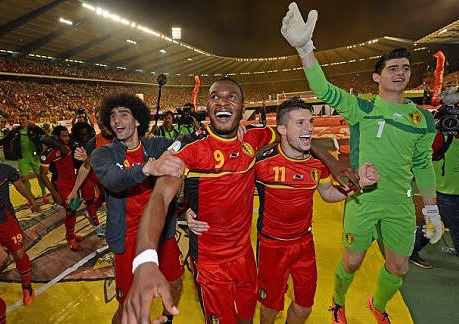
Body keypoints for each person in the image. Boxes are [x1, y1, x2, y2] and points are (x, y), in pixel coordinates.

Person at [123, 77, 361, 324]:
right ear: (207, 105)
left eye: (231, 97)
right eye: (215, 96)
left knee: (247, 318)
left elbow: (296, 136)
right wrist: (145, 260)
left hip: (245, 257)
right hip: (210, 264)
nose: (222, 101)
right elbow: (160, 196)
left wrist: (331, 162)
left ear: (241, 108)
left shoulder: (253, 137)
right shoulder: (190, 147)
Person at [281, 3, 443, 323]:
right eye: (392, 67)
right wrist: (305, 48)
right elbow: (323, 89)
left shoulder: (422, 118)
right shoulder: (363, 109)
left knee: (399, 267)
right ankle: (338, 301)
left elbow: (423, 163)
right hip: (362, 196)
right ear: (377, 76)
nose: (399, 72)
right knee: (352, 263)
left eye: (404, 67)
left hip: (399, 202)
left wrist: (433, 209)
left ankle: (378, 307)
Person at [188, 97, 379, 323]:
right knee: (269, 309)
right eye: (300, 123)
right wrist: (193, 210)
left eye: (310, 122)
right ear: (281, 129)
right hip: (271, 247)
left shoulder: (318, 165)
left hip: (304, 245)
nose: (308, 128)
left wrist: (361, 186)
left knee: (304, 307)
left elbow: (328, 195)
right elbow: (227, 185)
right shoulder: (261, 162)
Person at [90, 93, 186, 324]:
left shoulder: (156, 145)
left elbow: (188, 143)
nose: (116, 120)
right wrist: (149, 168)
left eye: (124, 114)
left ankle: (167, 318)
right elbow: (113, 179)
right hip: (127, 238)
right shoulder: (103, 153)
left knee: (175, 284)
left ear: (138, 120)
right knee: (128, 306)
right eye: (112, 116)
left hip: (161, 232)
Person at [410, 114, 459, 280]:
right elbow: (422, 152)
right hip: (445, 194)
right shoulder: (445, 135)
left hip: (454, 193)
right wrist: (439, 125)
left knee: (433, 225)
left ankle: (410, 250)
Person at [66, 111, 114, 237]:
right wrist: (74, 190)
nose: (100, 120)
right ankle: (97, 225)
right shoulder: (93, 142)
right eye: (97, 118)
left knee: (110, 202)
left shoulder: (122, 137)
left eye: (102, 116)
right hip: (93, 177)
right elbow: (86, 166)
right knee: (92, 201)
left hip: (109, 179)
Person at [0, 161, 39, 306]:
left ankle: (27, 286)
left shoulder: (4, 169)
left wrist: (32, 200)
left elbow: (20, 185)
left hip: (6, 221)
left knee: (18, 253)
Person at [39, 126, 83, 251]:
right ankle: (70, 238)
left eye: (68, 135)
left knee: (73, 210)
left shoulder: (66, 147)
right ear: (56, 137)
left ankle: (70, 234)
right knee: (70, 211)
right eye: (64, 136)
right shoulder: (48, 154)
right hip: (61, 185)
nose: (67, 138)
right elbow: (42, 175)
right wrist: (53, 192)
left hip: (72, 183)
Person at [0, 114, 49, 204]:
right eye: (20, 119)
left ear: (28, 120)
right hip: (22, 157)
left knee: (40, 176)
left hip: (34, 156)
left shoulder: (33, 129)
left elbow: (42, 132)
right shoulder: (16, 131)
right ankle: (30, 197)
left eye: (23, 119)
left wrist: (35, 126)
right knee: (24, 179)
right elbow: (6, 139)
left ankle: (44, 194)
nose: (21, 121)